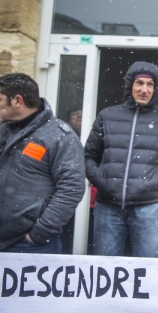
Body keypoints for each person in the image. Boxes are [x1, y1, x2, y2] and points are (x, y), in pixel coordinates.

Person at [84, 61, 158, 258]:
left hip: (148, 207)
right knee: (105, 269)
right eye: (139, 83)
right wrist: (101, 181)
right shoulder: (107, 115)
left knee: (148, 269)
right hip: (108, 206)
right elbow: (89, 156)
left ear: (155, 89)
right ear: (130, 85)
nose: (144, 89)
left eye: (150, 85)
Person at [0, 73, 85, 254]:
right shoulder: (3, 130)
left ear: (17, 101)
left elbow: (71, 188)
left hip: (28, 244)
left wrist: (39, 234)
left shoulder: (59, 136)